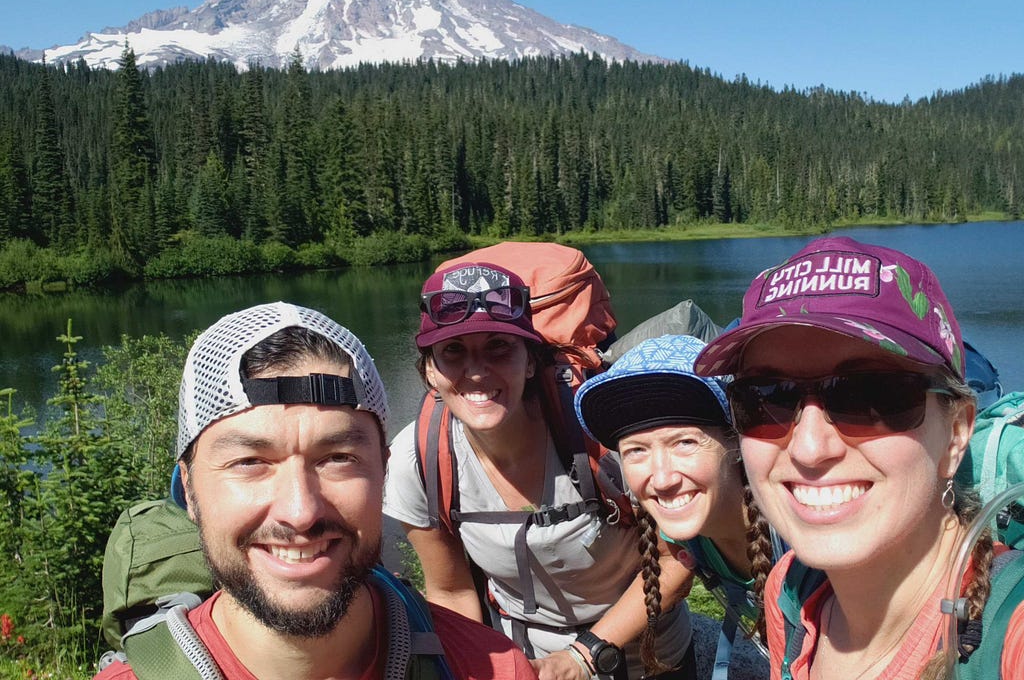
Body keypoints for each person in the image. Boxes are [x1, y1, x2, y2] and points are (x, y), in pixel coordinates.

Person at [95, 301, 538, 680]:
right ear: (189, 491)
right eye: (250, 462)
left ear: (383, 472)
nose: (300, 511)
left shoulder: (491, 668)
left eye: (338, 458)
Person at [692, 236, 1024, 680]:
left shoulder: (1009, 634)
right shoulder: (791, 589)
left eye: (871, 395)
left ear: (956, 432)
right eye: (765, 398)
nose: (810, 449)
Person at [384, 263, 695, 680]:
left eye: (499, 347)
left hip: (652, 659)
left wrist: (581, 657)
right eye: (453, 351)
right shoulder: (418, 457)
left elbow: (677, 561)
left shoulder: (595, 433)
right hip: (527, 664)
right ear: (430, 371)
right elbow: (453, 590)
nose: (476, 372)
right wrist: (480, 666)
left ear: (530, 362)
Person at [575, 333, 777, 680]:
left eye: (684, 443)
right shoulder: (680, 528)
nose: (663, 478)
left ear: (736, 441)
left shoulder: (794, 534)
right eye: (636, 450)